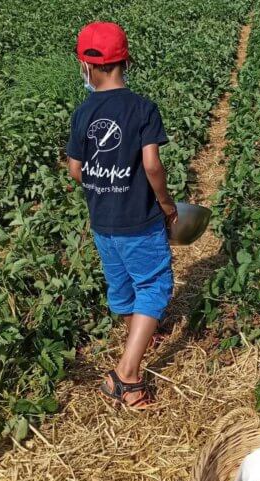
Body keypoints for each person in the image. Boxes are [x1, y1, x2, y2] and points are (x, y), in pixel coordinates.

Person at [66, 21, 177, 409]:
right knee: (154, 285)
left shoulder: (83, 113)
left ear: (86, 66)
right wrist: (165, 203)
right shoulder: (142, 108)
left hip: (103, 222)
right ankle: (127, 377)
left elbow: (75, 170)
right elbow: (151, 165)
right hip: (138, 220)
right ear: (125, 61)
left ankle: (139, 334)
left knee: (122, 285)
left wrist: (102, 184)